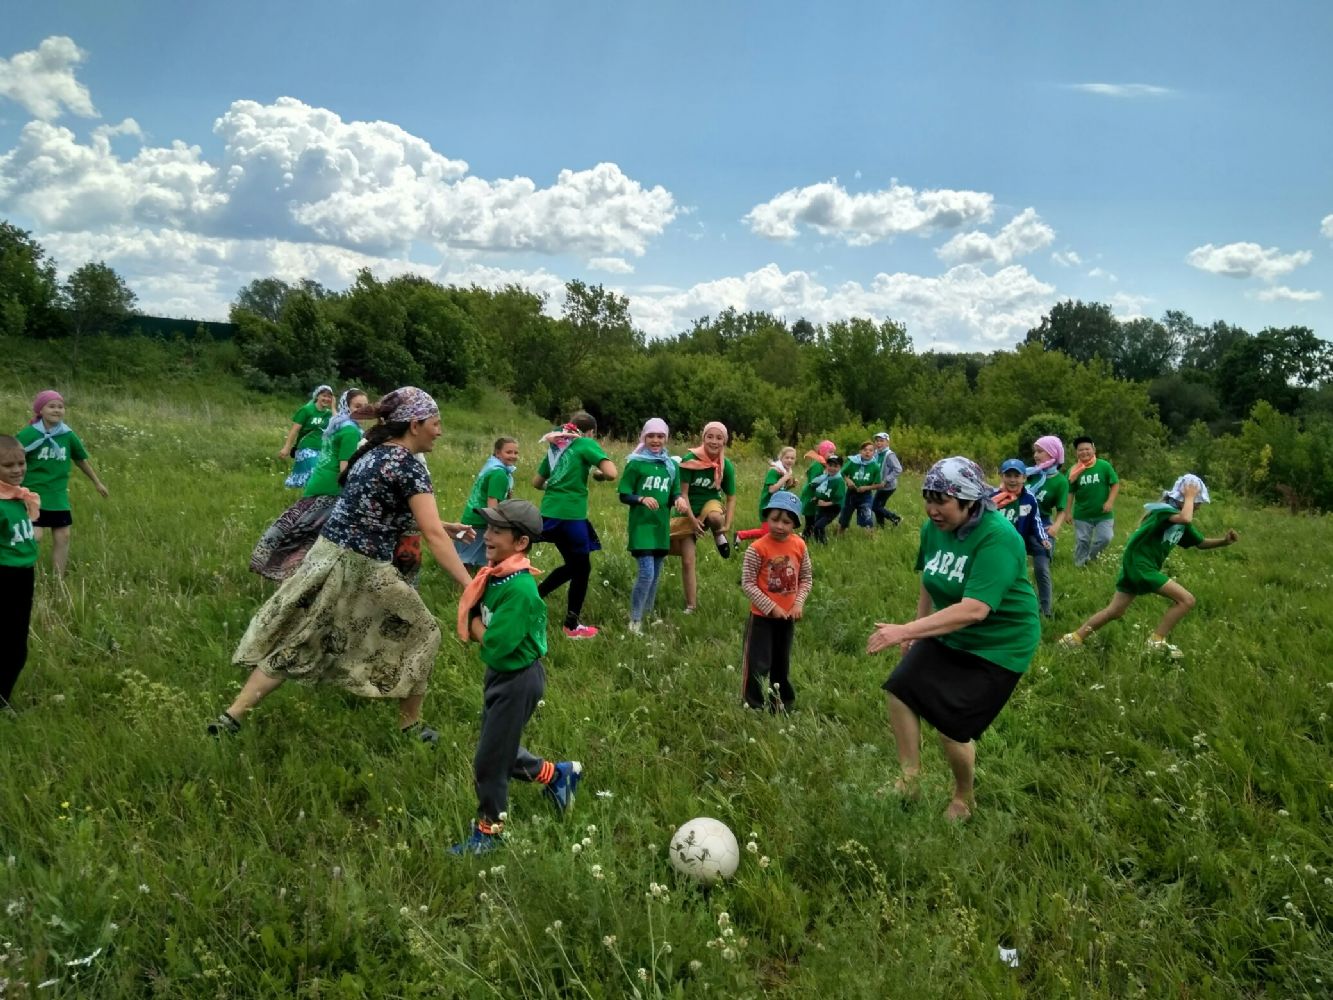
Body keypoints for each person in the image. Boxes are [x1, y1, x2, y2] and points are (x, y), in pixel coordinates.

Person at [208, 387, 475, 742]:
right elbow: (432, 537)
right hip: (364, 568)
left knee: (301, 638)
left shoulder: (372, 453)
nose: (439, 431)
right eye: (436, 423)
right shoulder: (408, 465)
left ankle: (231, 717)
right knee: (425, 631)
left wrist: (443, 525)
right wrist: (470, 584)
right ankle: (411, 727)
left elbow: (376, 511)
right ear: (415, 424)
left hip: (329, 556)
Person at [867, 457, 1039, 822]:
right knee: (900, 690)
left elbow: (975, 610)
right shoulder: (934, 528)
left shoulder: (999, 537)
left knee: (952, 727)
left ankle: (964, 797)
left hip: (999, 644)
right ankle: (909, 778)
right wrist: (916, 628)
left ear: (969, 500)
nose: (932, 509)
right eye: (927, 498)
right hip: (949, 632)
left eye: (941, 500)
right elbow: (930, 580)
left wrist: (906, 630)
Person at [451, 499, 582, 855]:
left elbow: (496, 646)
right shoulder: (497, 574)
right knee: (499, 749)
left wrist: (475, 625)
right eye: (488, 528)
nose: (487, 535)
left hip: (517, 678)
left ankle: (489, 832)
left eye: (496, 531)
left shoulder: (519, 589)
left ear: (521, 542)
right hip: (502, 675)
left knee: (489, 762)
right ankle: (557, 775)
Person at [1060, 475, 1238, 658]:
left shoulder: (1180, 521)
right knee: (1187, 600)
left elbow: (1199, 543)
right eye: (1198, 502)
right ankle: (1156, 641)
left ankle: (1073, 639)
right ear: (1183, 498)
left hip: (1136, 567)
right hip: (1140, 566)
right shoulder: (1165, 512)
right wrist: (1191, 496)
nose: (1198, 506)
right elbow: (1186, 517)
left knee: (1115, 611)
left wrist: (1224, 541)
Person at [250, 387, 368, 581]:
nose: (362, 410)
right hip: (332, 488)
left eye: (365, 406)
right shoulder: (350, 431)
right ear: (347, 407)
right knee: (316, 537)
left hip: (318, 483)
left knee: (302, 530)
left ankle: (290, 570)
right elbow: (345, 467)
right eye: (357, 406)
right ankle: (294, 573)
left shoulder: (338, 423)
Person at [533, 412, 617, 639]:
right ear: (590, 432)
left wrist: (557, 485)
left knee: (573, 565)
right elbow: (612, 473)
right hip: (572, 516)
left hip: (548, 513)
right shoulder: (585, 443)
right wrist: (599, 475)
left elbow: (536, 483)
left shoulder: (556, 447)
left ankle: (534, 597)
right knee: (581, 569)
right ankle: (571, 625)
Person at [16, 390, 109, 577]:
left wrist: (97, 483)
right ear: (40, 410)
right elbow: (10, 459)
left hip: (57, 494)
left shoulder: (67, 435)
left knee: (63, 535)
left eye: (60, 407)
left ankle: (58, 579)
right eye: (51, 406)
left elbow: (81, 459)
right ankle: (20, 572)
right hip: (33, 493)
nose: (57, 410)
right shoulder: (28, 434)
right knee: (35, 536)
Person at [739, 491, 812, 712]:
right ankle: (752, 704)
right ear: (766, 518)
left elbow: (806, 578)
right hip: (762, 619)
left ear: (795, 523)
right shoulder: (757, 549)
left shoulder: (799, 546)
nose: (780, 526)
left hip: (787, 618)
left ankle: (781, 702)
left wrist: (798, 603)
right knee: (757, 664)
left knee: (782, 663)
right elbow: (748, 584)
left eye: (787, 522)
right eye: (774, 519)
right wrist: (771, 607)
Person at [618, 418, 680, 634]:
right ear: (644, 438)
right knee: (646, 573)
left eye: (660, 436)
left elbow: (675, 493)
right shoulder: (635, 463)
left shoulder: (670, 465)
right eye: (651, 436)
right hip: (642, 527)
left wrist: (679, 500)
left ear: (666, 438)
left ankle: (648, 613)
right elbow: (624, 494)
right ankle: (634, 620)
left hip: (661, 527)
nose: (655, 440)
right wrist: (641, 499)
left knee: (656, 573)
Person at [670, 422, 736, 613]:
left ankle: (718, 536)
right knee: (688, 560)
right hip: (687, 510)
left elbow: (731, 498)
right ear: (703, 438)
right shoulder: (690, 459)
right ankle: (691, 605)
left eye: (719, 437)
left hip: (709, 507)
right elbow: (683, 494)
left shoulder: (726, 465)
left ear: (724, 441)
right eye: (710, 436)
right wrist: (692, 520)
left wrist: (727, 524)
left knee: (716, 518)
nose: (714, 441)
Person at [0, 436, 40, 711]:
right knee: (9, 646)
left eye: (21, 463)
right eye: (8, 465)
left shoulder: (16, 497)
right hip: (5, 577)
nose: (17, 469)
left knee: (17, 645)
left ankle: (3, 698)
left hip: (24, 576)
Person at [993, 458, 1052, 616]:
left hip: (1022, 539)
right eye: (1008, 475)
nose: (1012, 480)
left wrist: (1043, 538)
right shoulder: (992, 498)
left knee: (1042, 565)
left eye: (1017, 476)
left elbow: (1036, 521)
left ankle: (1045, 609)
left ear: (1024, 478)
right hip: (998, 543)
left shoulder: (1029, 498)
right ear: (1002, 477)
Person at [456, 437, 520, 568]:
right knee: (467, 558)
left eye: (515, 452)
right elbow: (492, 501)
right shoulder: (499, 474)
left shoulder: (491, 467)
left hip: (472, 515)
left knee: (473, 554)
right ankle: (464, 584)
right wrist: (495, 524)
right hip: (481, 520)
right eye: (509, 452)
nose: (513, 456)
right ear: (497, 453)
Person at [1025, 435, 1068, 616]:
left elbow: (1062, 509)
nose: (1036, 455)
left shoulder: (1060, 482)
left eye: (1040, 451)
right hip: (1021, 523)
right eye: (1035, 451)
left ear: (1053, 454)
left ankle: (1045, 611)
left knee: (1041, 568)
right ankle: (1018, 604)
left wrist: (1056, 526)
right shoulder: (1029, 475)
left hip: (1042, 526)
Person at [1067, 435, 1119, 567]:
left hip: (1103, 513)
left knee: (1106, 538)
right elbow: (1069, 492)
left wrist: (1110, 502)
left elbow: (1115, 484)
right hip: (1082, 513)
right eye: (1080, 450)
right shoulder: (1073, 471)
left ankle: (1090, 558)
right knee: (1082, 540)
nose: (1084, 452)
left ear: (1093, 450)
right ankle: (1079, 565)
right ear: (1076, 453)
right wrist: (1067, 512)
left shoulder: (1104, 466)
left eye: (1087, 449)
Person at [279, 385, 335, 489]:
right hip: (306, 447)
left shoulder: (329, 414)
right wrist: (286, 447)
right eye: (324, 396)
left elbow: (338, 424)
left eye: (329, 397)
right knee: (315, 472)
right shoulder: (307, 410)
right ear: (317, 396)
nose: (326, 399)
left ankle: (308, 498)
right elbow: (294, 430)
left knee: (320, 475)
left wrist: (333, 407)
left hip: (322, 449)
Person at [737, 447, 798, 542]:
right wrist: (785, 478)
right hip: (767, 505)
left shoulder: (785, 472)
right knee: (766, 532)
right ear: (781, 458)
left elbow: (780, 490)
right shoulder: (774, 471)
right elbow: (772, 490)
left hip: (777, 506)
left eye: (792, 458)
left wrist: (790, 486)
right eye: (787, 457)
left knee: (776, 532)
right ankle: (740, 535)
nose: (789, 460)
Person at [838, 440, 883, 534]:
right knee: (845, 514)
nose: (867, 452)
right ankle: (840, 533)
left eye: (870, 450)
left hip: (865, 495)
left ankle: (871, 537)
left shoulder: (875, 466)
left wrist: (866, 488)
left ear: (874, 453)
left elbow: (879, 484)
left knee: (867, 515)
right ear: (860, 451)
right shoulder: (853, 462)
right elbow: (842, 472)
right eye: (865, 450)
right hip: (851, 493)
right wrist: (848, 480)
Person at [804, 454, 845, 544]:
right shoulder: (825, 477)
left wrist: (826, 503)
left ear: (840, 467)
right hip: (822, 506)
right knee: (816, 525)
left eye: (835, 466)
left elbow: (839, 498)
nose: (832, 468)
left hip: (833, 508)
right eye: (830, 465)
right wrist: (816, 497)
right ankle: (820, 543)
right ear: (826, 465)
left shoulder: (839, 481)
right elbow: (822, 490)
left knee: (819, 526)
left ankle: (823, 544)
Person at [870, 432, 904, 528]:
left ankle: (895, 518)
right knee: (878, 507)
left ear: (887, 443)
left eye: (882, 441)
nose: (878, 443)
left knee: (875, 506)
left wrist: (886, 480)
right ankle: (881, 527)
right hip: (879, 486)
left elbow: (898, 469)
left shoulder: (889, 455)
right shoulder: (877, 453)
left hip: (888, 486)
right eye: (877, 441)